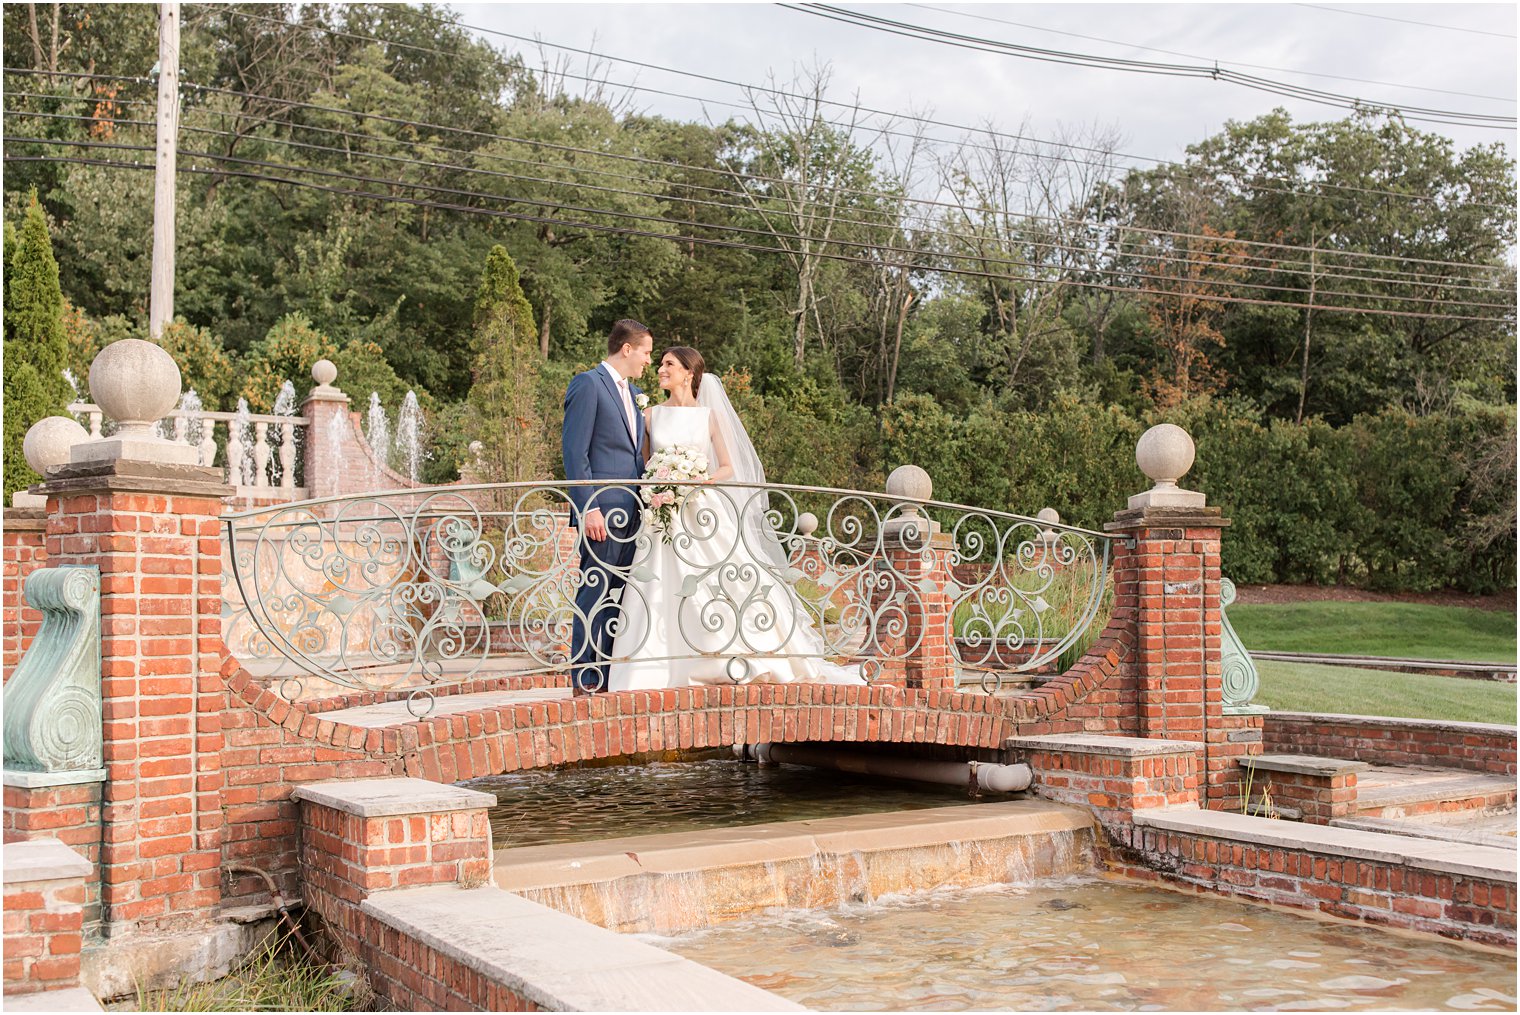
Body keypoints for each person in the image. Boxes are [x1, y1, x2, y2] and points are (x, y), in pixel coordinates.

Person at [607, 346, 864, 690]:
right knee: (659, 583)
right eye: (661, 363)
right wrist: (659, 484)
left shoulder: (708, 416)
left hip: (703, 511)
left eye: (669, 364)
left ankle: (735, 655)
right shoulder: (650, 415)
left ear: (688, 373)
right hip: (664, 514)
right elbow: (642, 466)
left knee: (721, 579)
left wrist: (698, 477)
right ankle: (654, 668)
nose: (661, 369)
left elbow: (727, 466)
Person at [561, 319, 653, 694]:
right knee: (594, 591)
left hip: (632, 513)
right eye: (646, 352)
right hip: (602, 512)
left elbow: (635, 457)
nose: (649, 360)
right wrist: (589, 508)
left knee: (619, 597)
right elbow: (574, 453)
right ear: (627, 349)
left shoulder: (635, 395)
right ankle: (584, 679)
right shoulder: (588, 384)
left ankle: (607, 674)